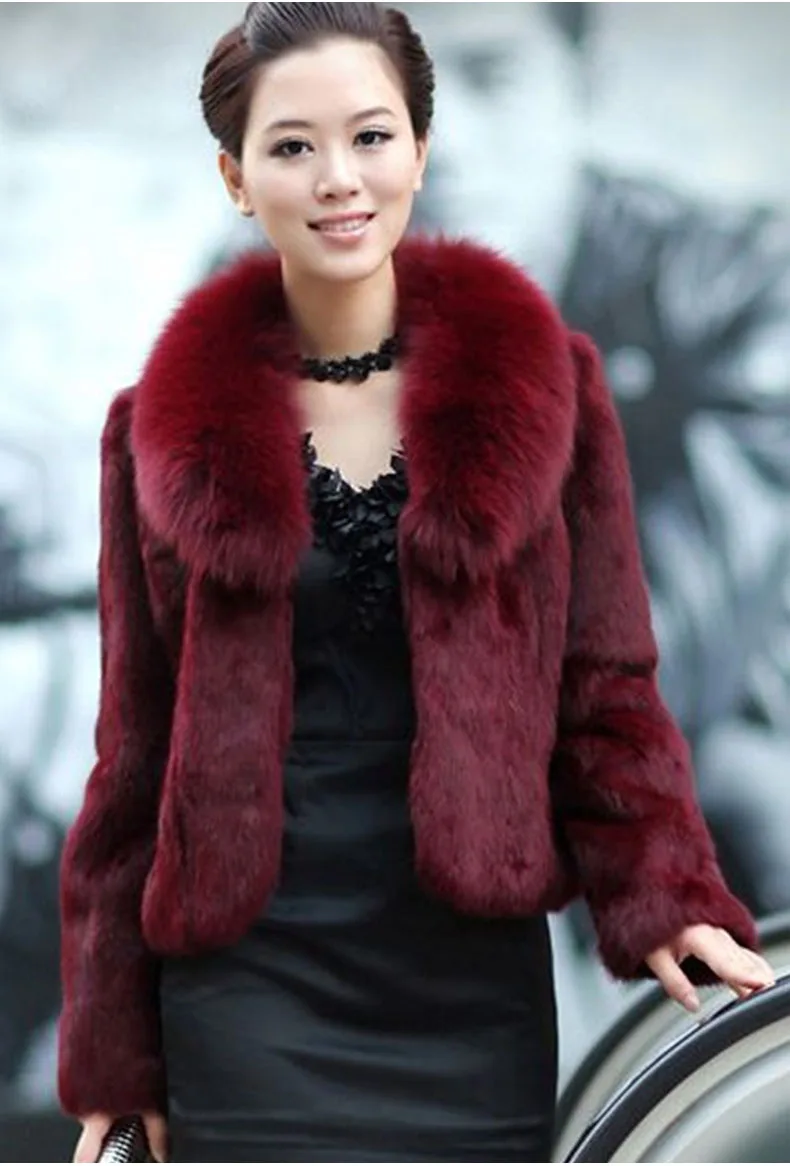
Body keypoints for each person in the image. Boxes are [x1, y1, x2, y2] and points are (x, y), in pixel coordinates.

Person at [57, 4, 774, 1163]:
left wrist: (667, 895)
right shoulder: (161, 426)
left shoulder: (550, 387)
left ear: (417, 151)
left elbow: (604, 687)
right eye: (293, 145)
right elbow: (132, 757)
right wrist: (112, 1048)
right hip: (245, 986)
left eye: (371, 136)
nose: (338, 177)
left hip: (466, 986)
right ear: (236, 178)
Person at [409, 1, 790, 921]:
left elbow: (674, 631)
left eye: (491, 77)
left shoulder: (737, 282)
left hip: (706, 759)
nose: (439, 145)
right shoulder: (273, 306)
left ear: (582, 82)